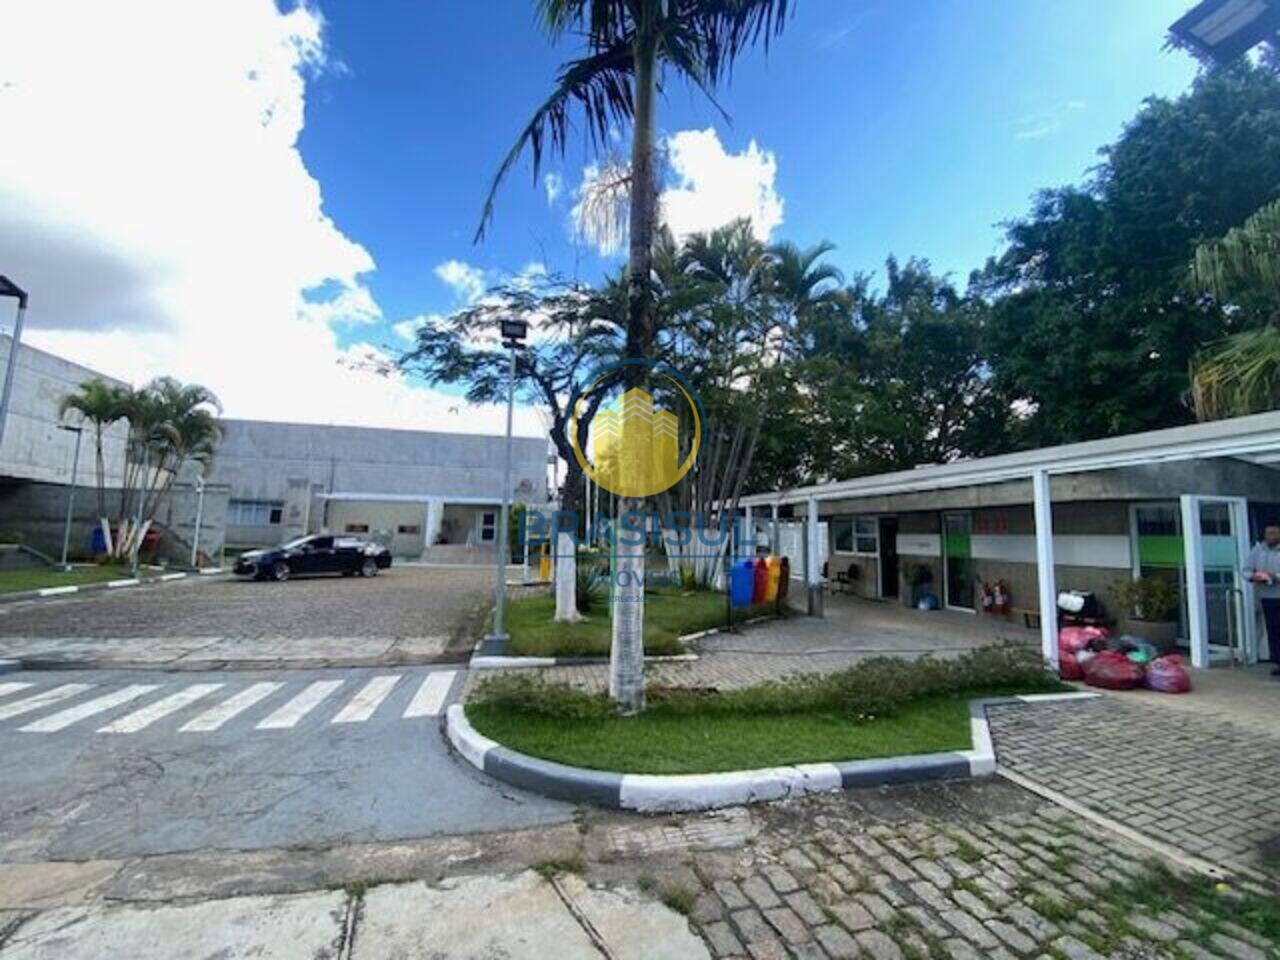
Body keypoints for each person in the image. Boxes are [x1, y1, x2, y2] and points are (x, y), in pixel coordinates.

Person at [1244, 524, 1280, 676]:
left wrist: (1275, 577)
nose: (1270, 536)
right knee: (1273, 630)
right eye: (1268, 533)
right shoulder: (1258, 550)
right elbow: (1246, 570)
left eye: (1274, 533)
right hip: (1267, 596)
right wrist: (1254, 576)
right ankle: (1278, 662)